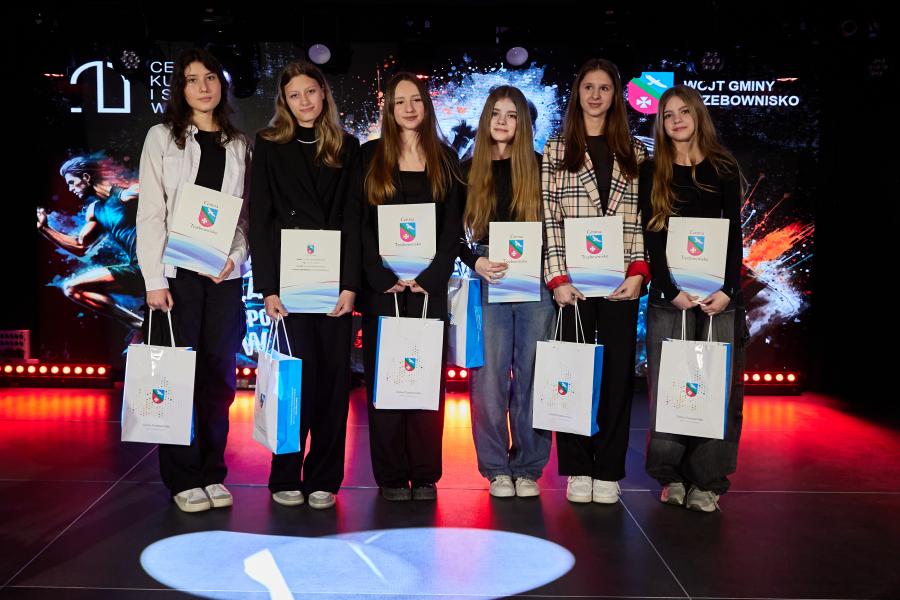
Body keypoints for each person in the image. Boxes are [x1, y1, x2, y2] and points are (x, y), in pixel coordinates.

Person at [136, 48, 250, 513]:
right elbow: (151, 213)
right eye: (192, 79)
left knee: (219, 379)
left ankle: (212, 472)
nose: (203, 87)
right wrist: (154, 278)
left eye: (211, 77)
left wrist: (236, 259)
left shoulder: (238, 144)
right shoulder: (162, 137)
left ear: (222, 84)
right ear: (180, 89)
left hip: (220, 278)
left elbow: (242, 219)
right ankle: (183, 476)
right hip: (175, 277)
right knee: (177, 377)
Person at [249, 60, 360, 510]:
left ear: (323, 93)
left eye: (310, 91)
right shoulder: (269, 144)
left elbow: (355, 219)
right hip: (289, 281)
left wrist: (350, 285)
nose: (304, 101)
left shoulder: (348, 146)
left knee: (333, 385)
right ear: (285, 101)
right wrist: (268, 287)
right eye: (294, 95)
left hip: (334, 283)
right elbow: (260, 218)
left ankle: (324, 479)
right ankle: (284, 475)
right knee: (293, 381)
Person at [542, 58, 649, 504]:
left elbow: (641, 217)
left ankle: (607, 469)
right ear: (578, 93)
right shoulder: (556, 148)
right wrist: (557, 277)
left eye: (604, 88)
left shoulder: (635, 151)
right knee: (572, 371)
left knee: (618, 374)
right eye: (588, 87)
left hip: (620, 280)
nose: (595, 95)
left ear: (615, 96)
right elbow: (549, 217)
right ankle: (577, 467)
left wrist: (639, 271)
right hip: (574, 283)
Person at [639, 85, 747, 512]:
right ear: (661, 124)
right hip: (671, 297)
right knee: (670, 387)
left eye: (684, 112)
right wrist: (669, 290)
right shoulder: (653, 170)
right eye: (668, 115)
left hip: (719, 297)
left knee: (718, 388)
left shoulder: (723, 167)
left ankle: (708, 481)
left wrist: (728, 290)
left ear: (698, 115)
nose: (676, 120)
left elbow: (734, 234)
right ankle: (671, 476)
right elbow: (652, 235)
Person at [357, 72, 463, 501]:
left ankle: (424, 475)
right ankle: (390, 475)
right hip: (383, 291)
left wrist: (431, 278)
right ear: (389, 108)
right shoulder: (369, 156)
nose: (408, 108)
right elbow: (360, 224)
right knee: (386, 384)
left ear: (426, 104)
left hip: (427, 291)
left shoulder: (446, 158)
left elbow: (453, 228)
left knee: (424, 384)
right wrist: (381, 276)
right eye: (399, 101)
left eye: (415, 99)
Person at [459, 85, 554, 498]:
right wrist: (474, 261)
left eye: (512, 114)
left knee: (533, 375)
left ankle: (529, 468)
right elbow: (450, 232)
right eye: (496, 113)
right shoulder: (467, 169)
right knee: (489, 379)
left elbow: (557, 226)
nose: (502, 121)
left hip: (536, 278)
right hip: (488, 275)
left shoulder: (541, 166)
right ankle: (497, 468)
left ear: (524, 123)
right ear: (485, 119)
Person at [37, 155, 143, 330]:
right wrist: (44, 228)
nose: (70, 188)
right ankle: (140, 325)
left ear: (86, 177)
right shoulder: (95, 210)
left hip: (159, 269)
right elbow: (80, 246)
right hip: (137, 270)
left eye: (72, 182)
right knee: (72, 288)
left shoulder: (126, 195)